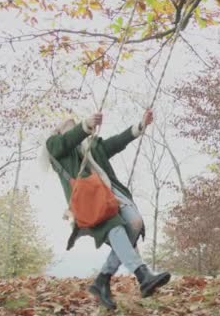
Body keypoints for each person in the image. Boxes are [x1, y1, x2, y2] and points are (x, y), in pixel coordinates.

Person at [45, 109, 170, 310]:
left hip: (112, 195)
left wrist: (141, 125)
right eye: (66, 125)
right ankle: (143, 275)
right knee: (116, 229)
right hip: (89, 200)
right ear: (59, 131)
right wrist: (85, 125)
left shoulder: (92, 146)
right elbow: (66, 142)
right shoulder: (55, 146)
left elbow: (117, 142)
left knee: (135, 223)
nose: (71, 124)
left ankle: (102, 280)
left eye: (73, 122)